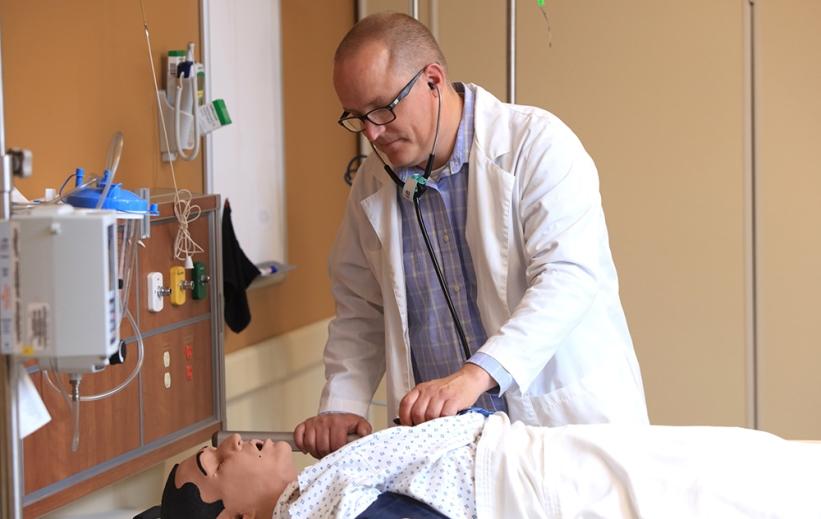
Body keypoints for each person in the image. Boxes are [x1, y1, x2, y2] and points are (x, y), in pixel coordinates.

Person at [295, 11, 648, 459]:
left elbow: (568, 278)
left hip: (558, 430)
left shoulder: (535, 145)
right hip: (446, 452)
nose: (372, 133)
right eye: (356, 117)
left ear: (433, 80)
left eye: (383, 109)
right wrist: (342, 405)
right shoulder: (373, 182)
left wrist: (477, 374)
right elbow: (361, 308)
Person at [162, 411, 821, 518]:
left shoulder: (323, 487)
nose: (232, 441)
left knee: (749, 461)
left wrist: (360, 452)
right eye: (214, 463)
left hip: (546, 457)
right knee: (743, 488)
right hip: (544, 489)